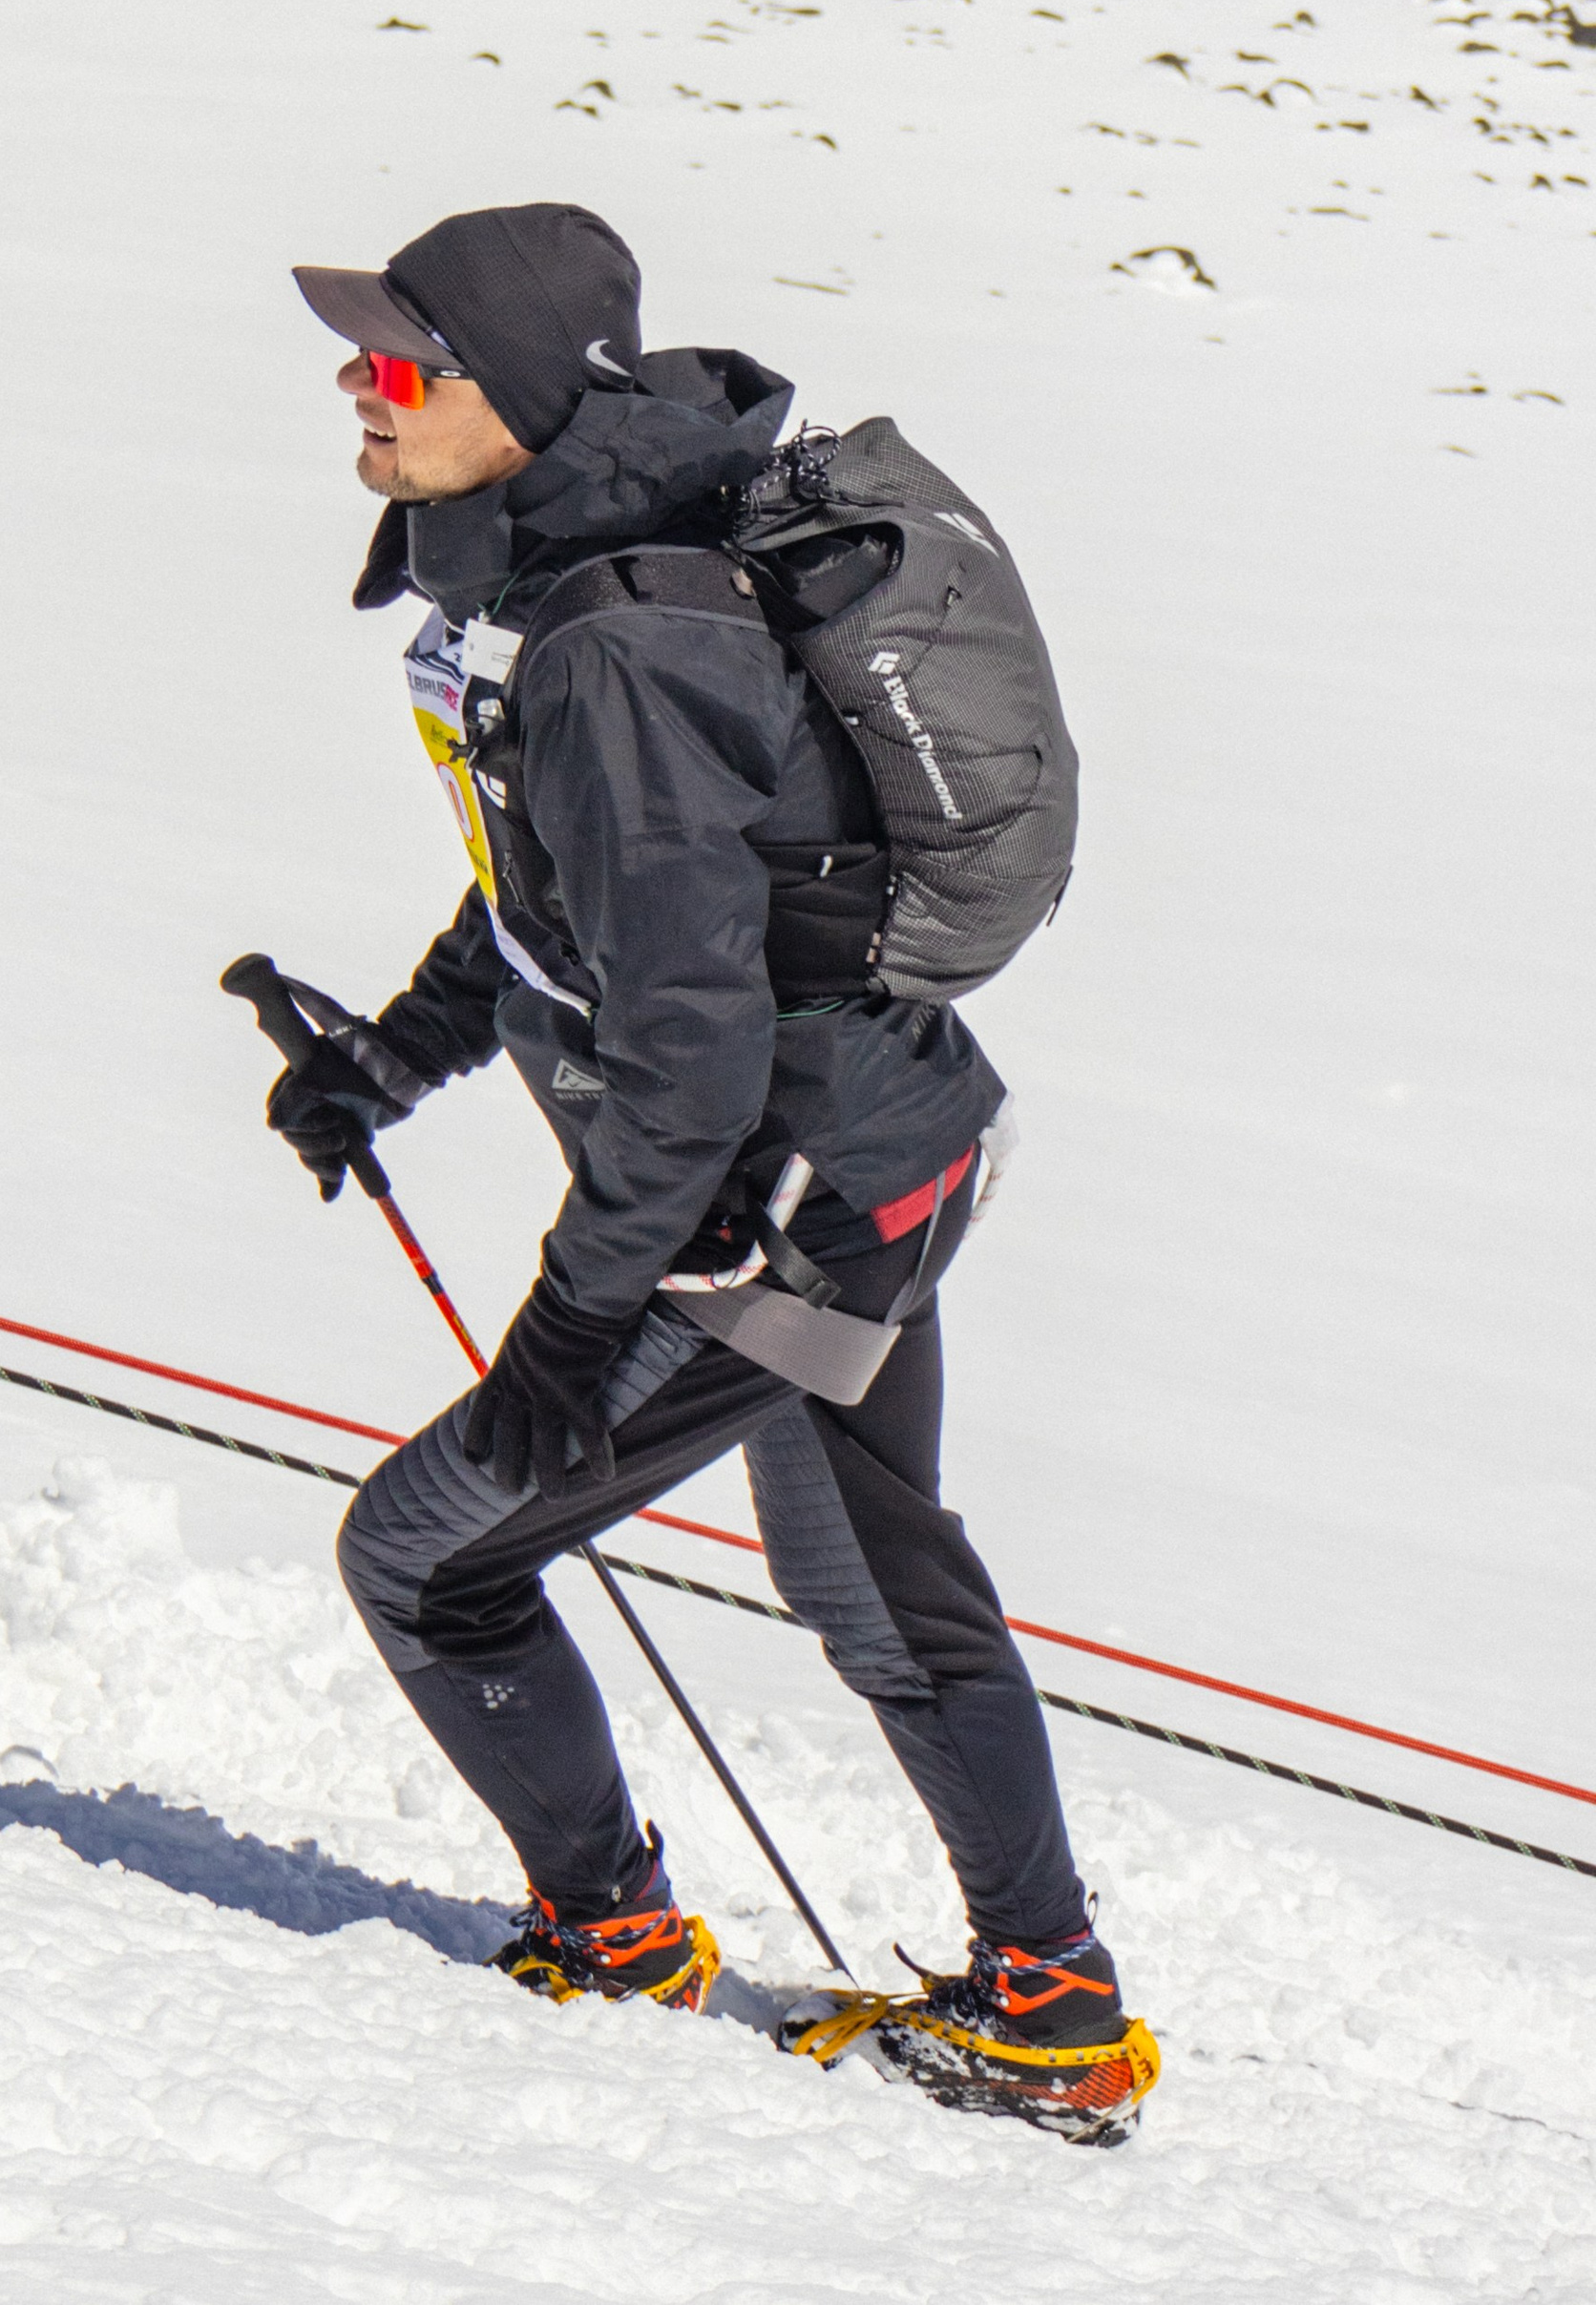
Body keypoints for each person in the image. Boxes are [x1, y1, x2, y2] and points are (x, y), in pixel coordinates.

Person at [250, 200, 1157, 2142]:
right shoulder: (561, 586)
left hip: (791, 1204)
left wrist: (568, 1335)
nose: (356, 383)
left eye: (400, 360)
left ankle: (613, 1936)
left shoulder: (615, 645)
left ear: (515, 393)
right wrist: (386, 1063)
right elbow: (563, 907)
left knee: (426, 1556)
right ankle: (1049, 2004)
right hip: (873, 1166)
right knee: (872, 1579)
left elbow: (690, 1037)